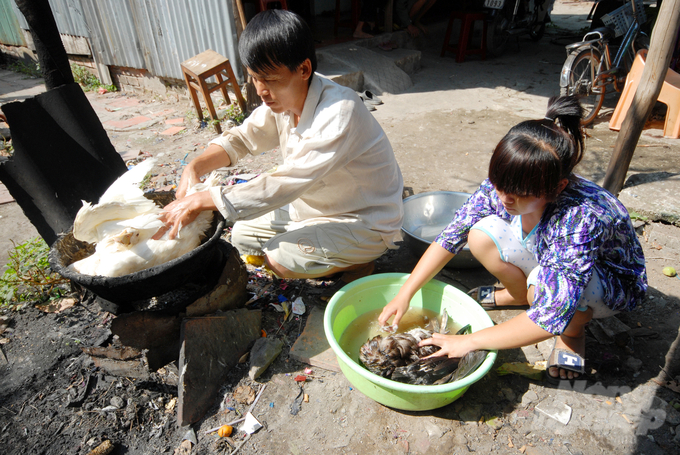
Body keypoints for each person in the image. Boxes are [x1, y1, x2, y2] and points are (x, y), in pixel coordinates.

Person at [378, 96, 647, 383]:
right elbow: (451, 236)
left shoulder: (580, 217)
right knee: (479, 235)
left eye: (518, 193)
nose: (504, 198)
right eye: (499, 184)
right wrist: (405, 292)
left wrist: (470, 341)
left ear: (557, 188)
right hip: (550, 251)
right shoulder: (508, 185)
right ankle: (519, 296)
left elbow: (552, 311)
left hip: (610, 284)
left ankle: (573, 333)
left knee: (544, 289)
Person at [155, 10, 404, 283]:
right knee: (241, 235)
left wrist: (205, 199)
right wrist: (194, 167)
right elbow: (241, 138)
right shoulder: (283, 101)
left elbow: (288, 181)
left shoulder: (339, 111)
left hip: (363, 220)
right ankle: (323, 246)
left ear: (304, 70)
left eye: (270, 79)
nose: (261, 90)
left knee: (280, 261)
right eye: (254, 77)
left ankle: (360, 264)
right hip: (312, 207)